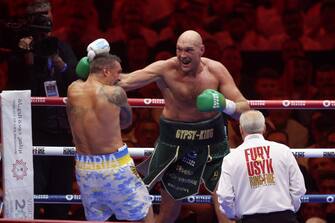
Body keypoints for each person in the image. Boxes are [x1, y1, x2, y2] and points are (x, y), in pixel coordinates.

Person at [113, 30, 250, 223]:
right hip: (176, 141)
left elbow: (245, 109)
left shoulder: (216, 70)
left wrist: (224, 103)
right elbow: (125, 81)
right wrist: (98, 72)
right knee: (168, 214)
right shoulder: (165, 69)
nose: (182, 55)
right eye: (179, 49)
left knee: (225, 210)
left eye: (188, 50)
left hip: (213, 141)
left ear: (201, 50)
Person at [6, 0, 77, 219]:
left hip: (63, 131)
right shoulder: (19, 51)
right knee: (34, 191)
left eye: (46, 12)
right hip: (32, 132)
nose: (43, 17)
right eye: (37, 14)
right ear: (28, 19)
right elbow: (18, 89)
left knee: (61, 192)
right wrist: (27, 58)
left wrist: (56, 58)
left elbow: (75, 82)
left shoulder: (62, 47)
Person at [66, 52, 154, 222]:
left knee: (98, 218)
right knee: (144, 210)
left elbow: (80, 77)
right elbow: (127, 122)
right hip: (114, 165)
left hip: (85, 168)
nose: (119, 77)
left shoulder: (73, 89)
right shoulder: (116, 92)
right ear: (106, 71)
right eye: (117, 72)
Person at [216, 110, 306, 223]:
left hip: (250, 219)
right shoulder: (283, 151)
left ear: (241, 129)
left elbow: (225, 196)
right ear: (264, 128)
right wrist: (290, 208)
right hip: (285, 217)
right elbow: (299, 188)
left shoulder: (231, 158)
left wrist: (233, 214)